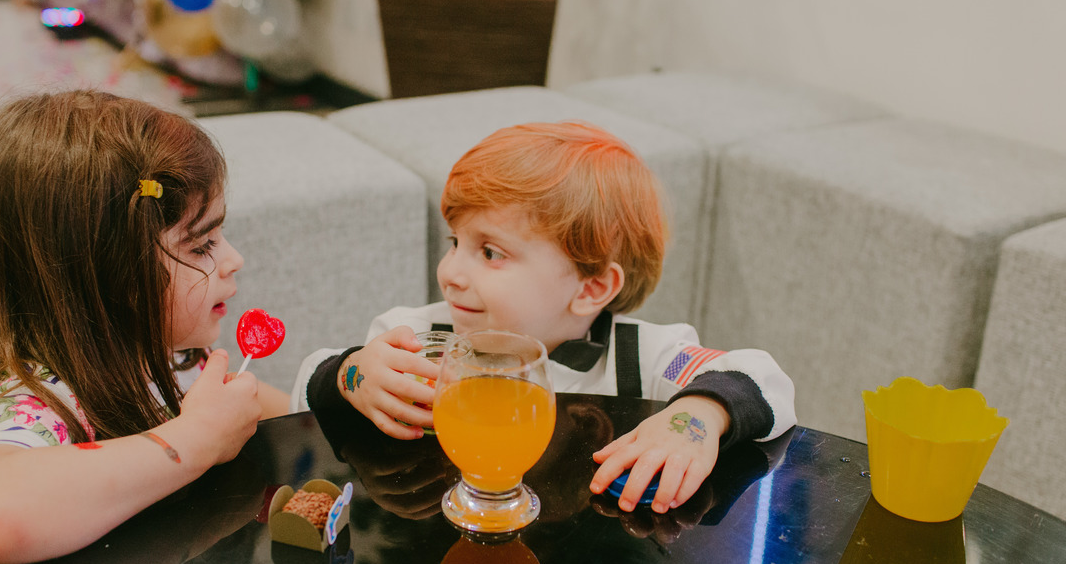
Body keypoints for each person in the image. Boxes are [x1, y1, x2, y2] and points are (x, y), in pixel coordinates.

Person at [292, 121, 795, 514]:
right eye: (456, 243)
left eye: (490, 252)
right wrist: (349, 377)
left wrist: (699, 417)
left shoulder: (645, 357)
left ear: (592, 287)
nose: (450, 273)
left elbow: (765, 379)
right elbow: (304, 400)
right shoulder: (416, 339)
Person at [0, 90, 289, 564]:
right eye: (202, 245)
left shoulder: (176, 358)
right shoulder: (45, 401)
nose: (234, 260)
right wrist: (194, 441)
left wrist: (348, 380)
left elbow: (289, 417)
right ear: (114, 275)